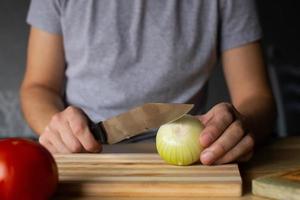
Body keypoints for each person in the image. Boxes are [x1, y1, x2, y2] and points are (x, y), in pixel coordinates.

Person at [20, 0, 276, 165]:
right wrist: (56, 130)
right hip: (82, 155)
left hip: (192, 160)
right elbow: (39, 87)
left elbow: (256, 97)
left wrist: (241, 124)